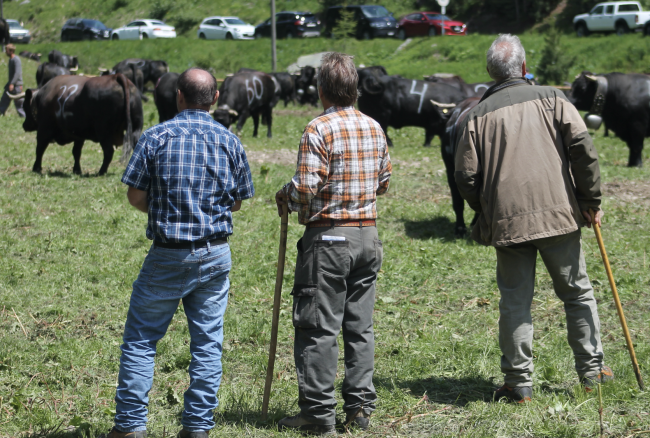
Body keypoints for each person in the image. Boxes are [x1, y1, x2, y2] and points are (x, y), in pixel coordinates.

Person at [454, 34, 612, 403]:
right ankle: (592, 373)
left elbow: (465, 177)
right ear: (523, 67)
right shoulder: (555, 98)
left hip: (507, 222)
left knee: (514, 301)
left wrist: (486, 207)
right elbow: (583, 150)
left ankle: (518, 383)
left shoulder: (474, 115)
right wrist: (590, 199)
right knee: (577, 294)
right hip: (560, 214)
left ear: (490, 73)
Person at [108, 68, 254, 438]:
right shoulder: (230, 141)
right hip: (215, 254)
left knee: (141, 339)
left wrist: (163, 209)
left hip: (168, 253)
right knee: (207, 343)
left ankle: (129, 427)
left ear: (178, 96)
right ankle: (197, 427)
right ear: (216, 98)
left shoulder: (156, 136)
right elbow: (236, 203)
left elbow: (135, 196)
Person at [275, 52, 392, 435]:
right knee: (360, 326)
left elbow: (306, 187)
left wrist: (285, 196)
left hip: (328, 239)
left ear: (322, 90)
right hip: (367, 236)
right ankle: (359, 409)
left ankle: (317, 414)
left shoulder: (318, 129)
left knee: (317, 326)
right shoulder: (374, 127)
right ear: (355, 90)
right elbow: (384, 182)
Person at [0, 44, 26, 118]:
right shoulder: (11, 59)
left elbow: (17, 73)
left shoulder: (16, 59)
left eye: (7, 50)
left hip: (16, 85)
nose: (5, 52)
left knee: (19, 103)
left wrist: (12, 83)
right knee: (4, 99)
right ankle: (1, 112)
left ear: (11, 51)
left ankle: (24, 116)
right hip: (11, 84)